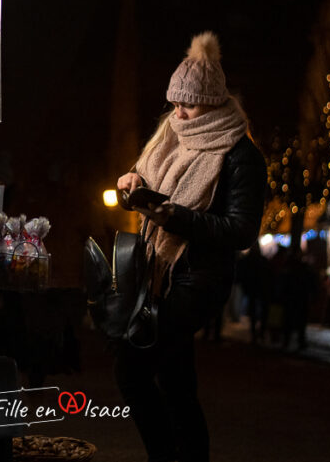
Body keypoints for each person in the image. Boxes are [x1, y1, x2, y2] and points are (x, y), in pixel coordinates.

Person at [114, 32, 266, 462]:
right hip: (157, 271)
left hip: (198, 278)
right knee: (176, 381)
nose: (178, 112)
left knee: (132, 368)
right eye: (175, 102)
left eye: (189, 104)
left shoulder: (241, 156)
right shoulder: (173, 134)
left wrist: (176, 218)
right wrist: (134, 182)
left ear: (214, 103)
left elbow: (240, 231)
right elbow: (147, 173)